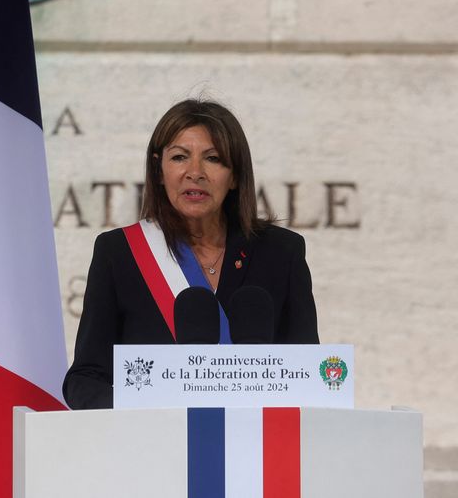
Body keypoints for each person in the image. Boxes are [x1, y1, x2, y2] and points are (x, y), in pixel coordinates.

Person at [63, 99, 319, 410]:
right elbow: (85, 378)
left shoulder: (281, 253)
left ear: (235, 175)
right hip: (155, 448)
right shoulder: (119, 253)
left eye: (213, 158)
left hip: (256, 450)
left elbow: (309, 378)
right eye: (180, 157)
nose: (194, 172)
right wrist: (139, 412)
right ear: (159, 171)